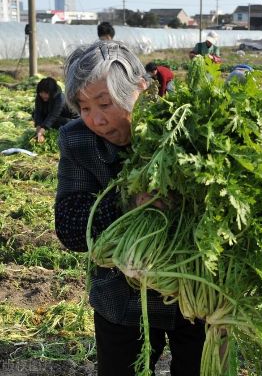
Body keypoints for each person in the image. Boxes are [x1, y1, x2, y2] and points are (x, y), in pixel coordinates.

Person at [55, 40, 205, 376]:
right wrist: (128, 202)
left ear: (141, 89)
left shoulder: (187, 129)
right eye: (84, 108)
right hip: (120, 298)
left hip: (195, 296)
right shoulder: (78, 141)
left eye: (105, 104)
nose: (96, 120)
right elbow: (70, 228)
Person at [32, 77, 78, 144]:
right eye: (41, 92)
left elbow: (53, 115)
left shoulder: (60, 97)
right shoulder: (39, 97)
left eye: (45, 93)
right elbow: (38, 112)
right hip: (56, 117)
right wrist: (38, 127)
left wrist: (42, 130)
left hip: (71, 120)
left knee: (54, 120)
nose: (42, 95)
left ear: (51, 92)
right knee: (34, 114)